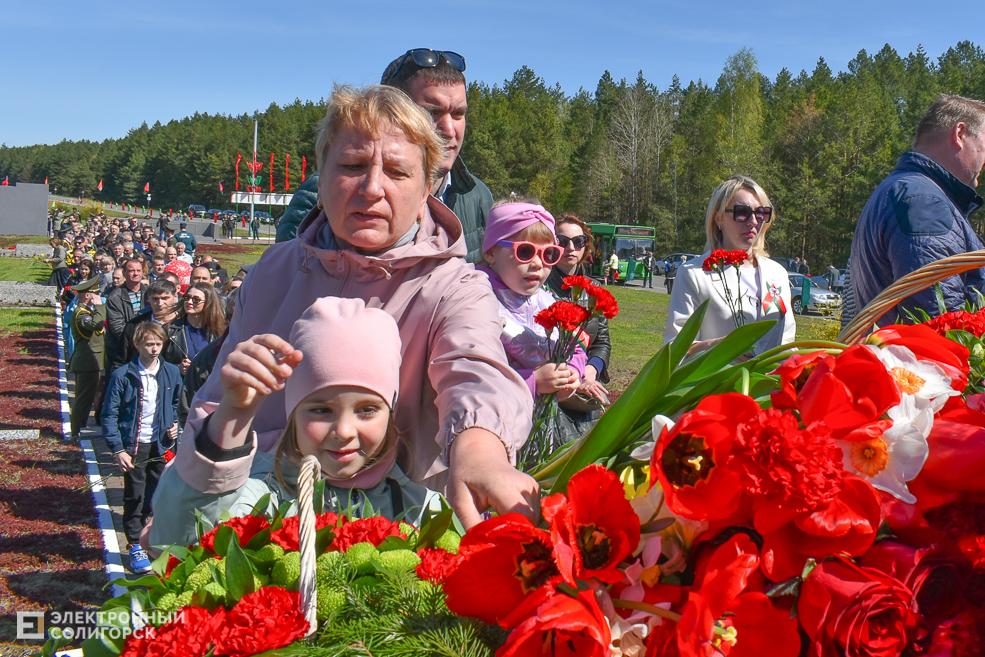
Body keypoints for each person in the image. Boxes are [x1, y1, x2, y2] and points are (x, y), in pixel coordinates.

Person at [178, 85, 534, 529]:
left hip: (398, 540)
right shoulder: (273, 271)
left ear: (427, 189)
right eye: (352, 166)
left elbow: (474, 369)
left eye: (398, 173)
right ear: (321, 177)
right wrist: (189, 490)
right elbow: (219, 399)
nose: (371, 188)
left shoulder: (455, 288)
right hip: (260, 526)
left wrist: (480, 450)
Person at [150, 296, 444, 549]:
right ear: (293, 412)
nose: (343, 431)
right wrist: (233, 414)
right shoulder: (260, 494)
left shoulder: (422, 512)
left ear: (390, 412)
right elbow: (178, 540)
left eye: (367, 410)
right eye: (320, 410)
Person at [277, 49, 494, 265]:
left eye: (458, 114)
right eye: (432, 113)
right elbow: (288, 280)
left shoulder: (478, 196)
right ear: (389, 111)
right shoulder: (325, 192)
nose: (449, 130)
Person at [851, 95, 985, 325]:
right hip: (922, 360)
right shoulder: (924, 202)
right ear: (960, 134)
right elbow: (943, 324)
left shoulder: (907, 190)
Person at [665, 175, 796, 357]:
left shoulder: (778, 274)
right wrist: (720, 347)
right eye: (742, 212)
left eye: (761, 213)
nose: (753, 222)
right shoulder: (693, 274)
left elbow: (787, 344)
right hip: (717, 384)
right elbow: (674, 350)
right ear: (719, 218)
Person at [478, 201, 585, 406]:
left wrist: (573, 372)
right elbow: (468, 377)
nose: (538, 263)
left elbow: (576, 348)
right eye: (525, 251)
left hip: (542, 428)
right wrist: (531, 381)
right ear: (491, 251)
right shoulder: (476, 302)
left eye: (548, 254)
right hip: (492, 426)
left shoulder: (545, 299)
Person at [102, 322, 180, 573]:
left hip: (161, 445)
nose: (155, 349)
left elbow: (178, 402)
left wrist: (174, 423)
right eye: (149, 344)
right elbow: (109, 414)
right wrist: (118, 449)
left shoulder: (171, 372)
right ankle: (135, 545)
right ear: (137, 344)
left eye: (159, 344)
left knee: (159, 495)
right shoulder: (123, 375)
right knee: (134, 496)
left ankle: (155, 542)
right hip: (134, 447)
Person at [545, 213, 611, 440]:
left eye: (578, 241)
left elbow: (601, 341)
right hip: (552, 392)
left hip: (586, 389)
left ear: (586, 246)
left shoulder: (594, 289)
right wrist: (573, 377)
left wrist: (591, 371)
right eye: (562, 241)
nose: (571, 247)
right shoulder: (540, 288)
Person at [68, 276, 106, 440]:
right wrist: (100, 306)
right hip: (87, 363)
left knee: (88, 396)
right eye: (95, 293)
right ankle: (76, 432)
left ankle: (79, 430)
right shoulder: (81, 314)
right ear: (87, 295)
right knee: (84, 399)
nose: (97, 296)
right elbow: (96, 324)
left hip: (93, 362)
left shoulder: (87, 311)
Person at [170, 282, 226, 371]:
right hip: (182, 382)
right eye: (187, 297)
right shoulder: (171, 330)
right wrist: (177, 368)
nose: (189, 302)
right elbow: (159, 362)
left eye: (196, 300)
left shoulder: (220, 331)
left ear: (208, 303)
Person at [105, 259, 148, 370]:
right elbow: (118, 328)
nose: (136, 274)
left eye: (139, 270)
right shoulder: (114, 297)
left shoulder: (149, 293)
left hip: (146, 348)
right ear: (124, 274)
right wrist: (139, 341)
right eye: (131, 271)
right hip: (121, 351)